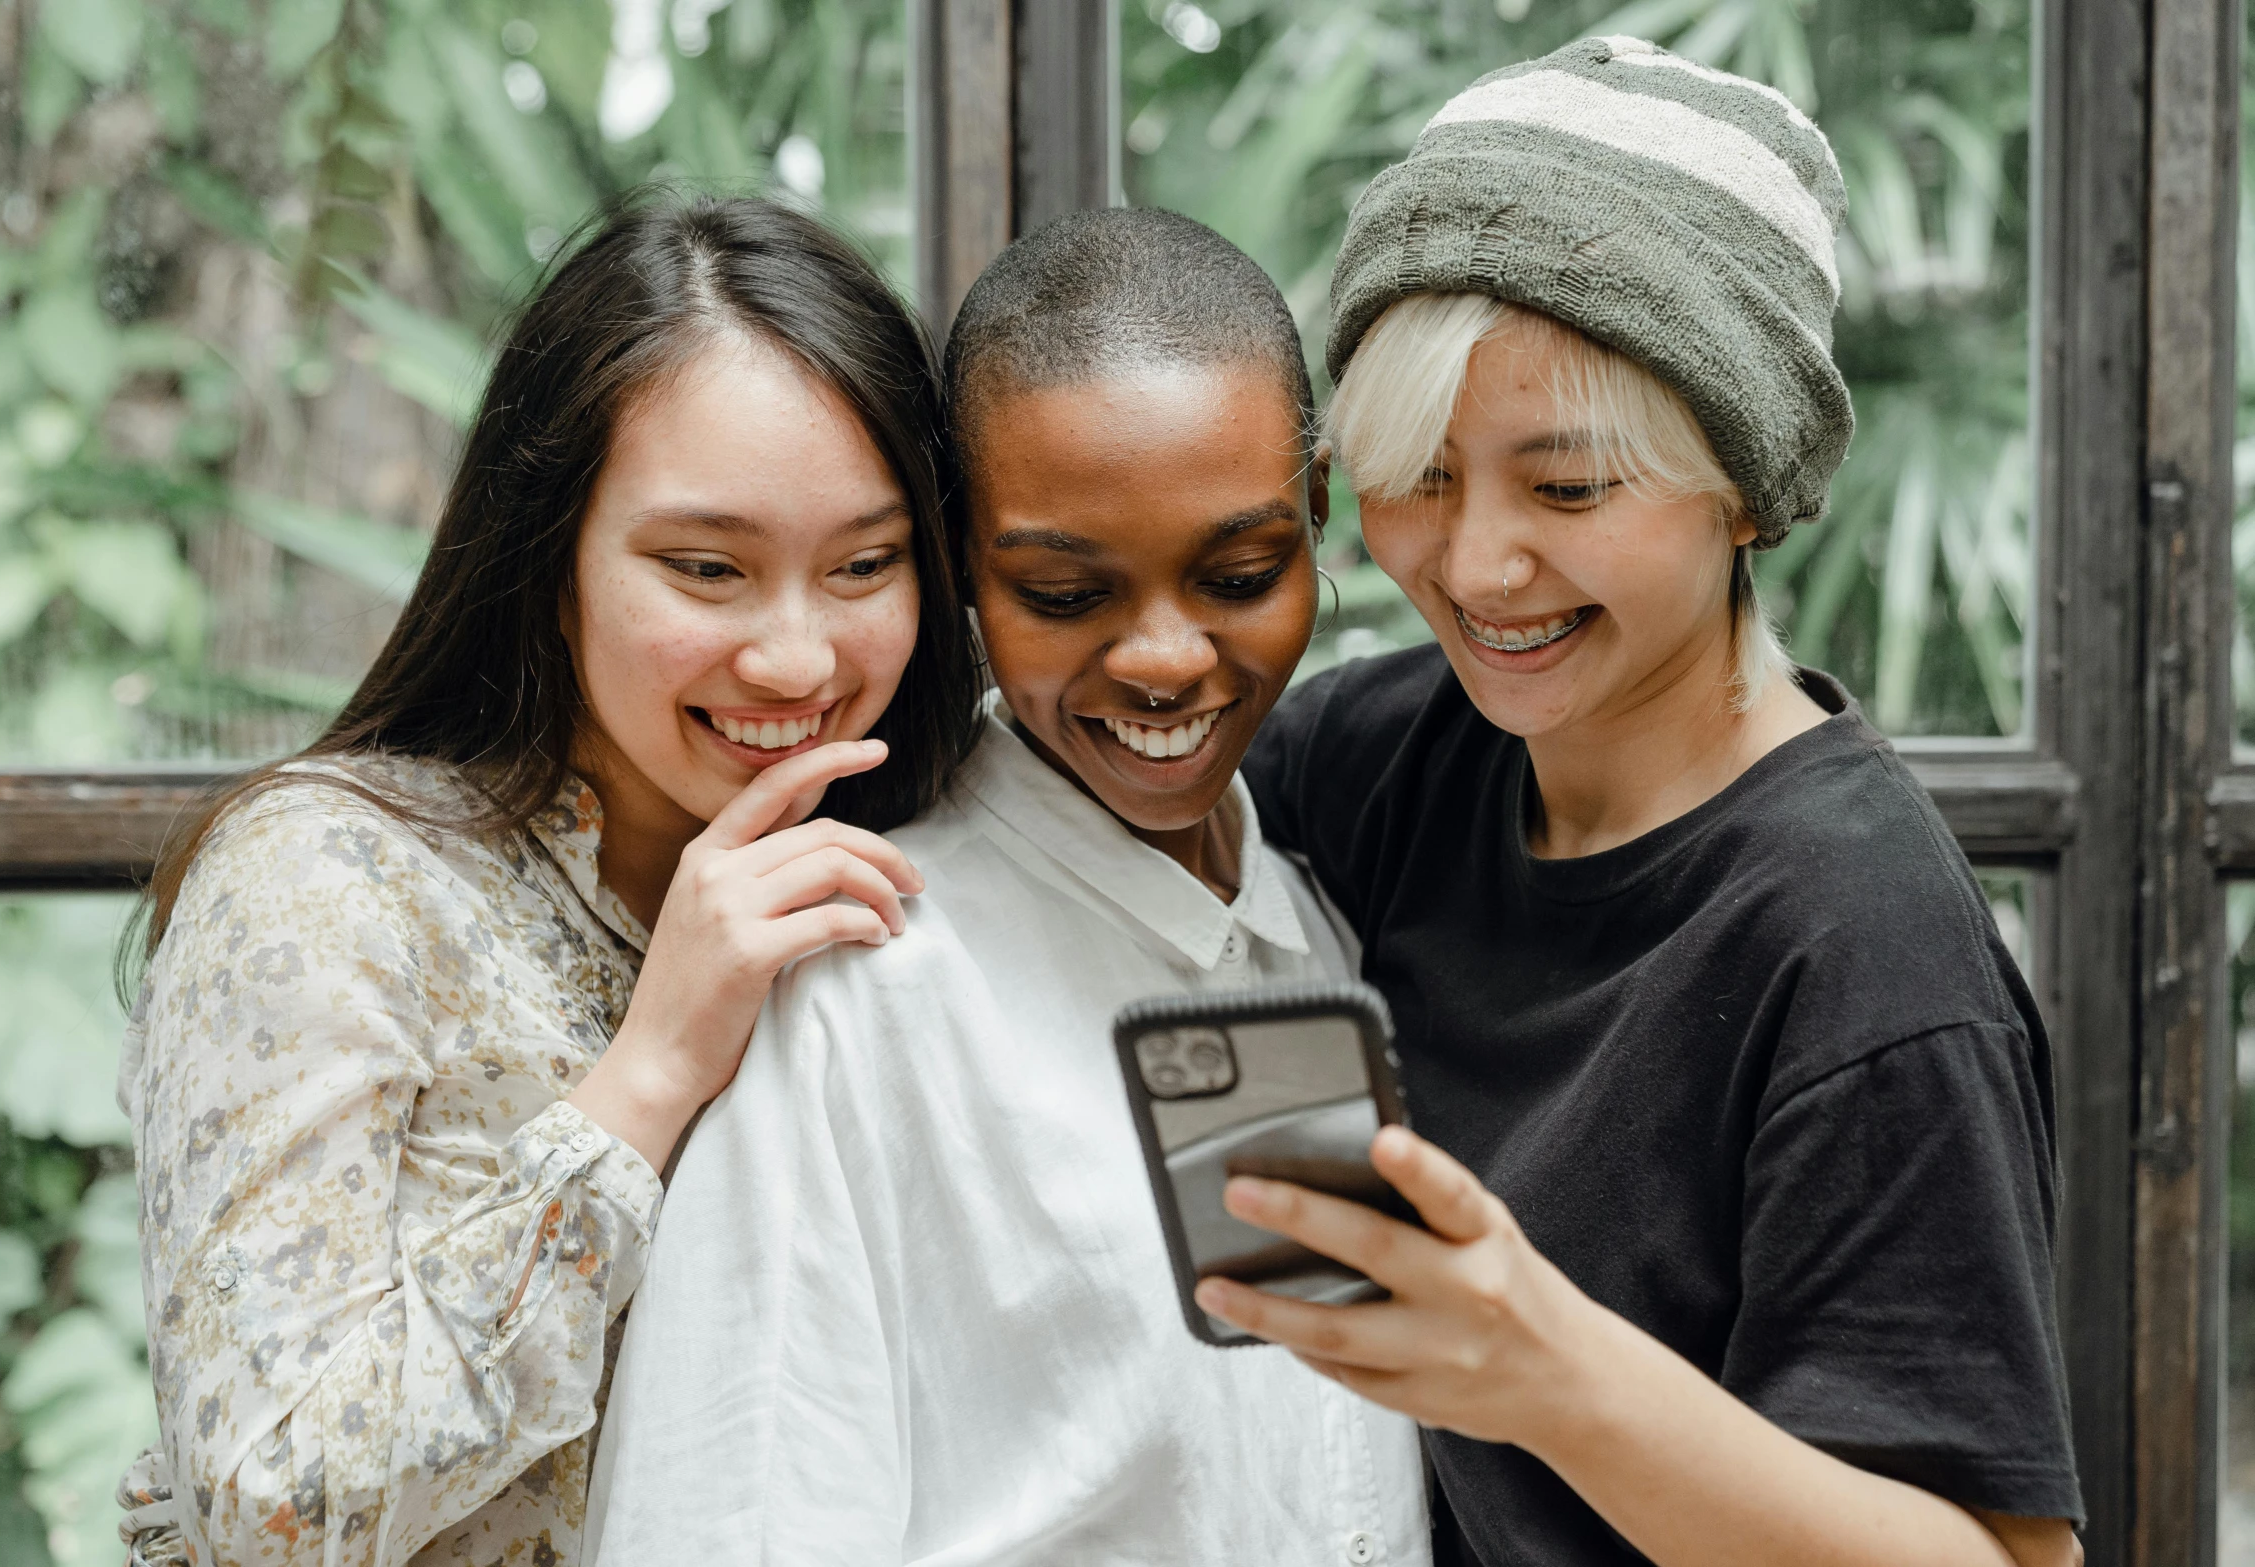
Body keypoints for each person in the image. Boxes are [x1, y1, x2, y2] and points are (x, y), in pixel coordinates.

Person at [1220, 38, 2084, 1567]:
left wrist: (1547, 1374)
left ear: (1743, 486)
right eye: (1419, 474)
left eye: (1566, 491)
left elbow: (2004, 1557)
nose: (1474, 566)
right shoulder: (1386, 756)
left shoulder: (1862, 947)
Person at [114, 193, 982, 1567]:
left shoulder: (920, 886)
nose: (799, 658)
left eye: (866, 565)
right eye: (707, 568)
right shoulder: (323, 883)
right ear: (550, 559)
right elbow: (266, 1507)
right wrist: (647, 1078)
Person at [584, 208, 1429, 1567]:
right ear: (960, 561)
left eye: (1237, 573)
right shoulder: (862, 987)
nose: (1163, 656)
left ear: (1318, 511)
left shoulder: (1305, 930)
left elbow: (1301, 1478)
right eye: (1061, 590)